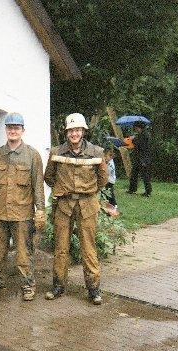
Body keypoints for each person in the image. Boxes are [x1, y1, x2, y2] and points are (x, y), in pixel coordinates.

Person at [44, 112, 108, 305]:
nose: (74, 134)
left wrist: (87, 191)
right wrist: (63, 189)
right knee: (60, 247)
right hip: (64, 205)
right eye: (71, 130)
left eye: (78, 130)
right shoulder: (56, 152)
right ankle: (58, 285)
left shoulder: (96, 152)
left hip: (87, 205)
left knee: (88, 247)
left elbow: (103, 179)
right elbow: (49, 177)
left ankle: (93, 289)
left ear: (83, 131)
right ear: (66, 132)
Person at [0, 112, 45, 301]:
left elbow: (38, 186)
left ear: (22, 130)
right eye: (10, 128)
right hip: (0, 214)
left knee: (23, 254)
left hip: (22, 214)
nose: (13, 131)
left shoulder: (32, 155)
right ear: (6, 130)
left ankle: (28, 285)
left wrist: (40, 211)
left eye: (16, 128)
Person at [127, 120, 152, 197]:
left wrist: (133, 139)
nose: (135, 129)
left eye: (136, 127)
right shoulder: (140, 135)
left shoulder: (145, 135)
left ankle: (148, 192)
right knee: (134, 174)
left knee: (145, 176)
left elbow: (140, 145)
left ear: (139, 127)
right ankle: (132, 189)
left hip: (143, 158)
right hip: (138, 158)